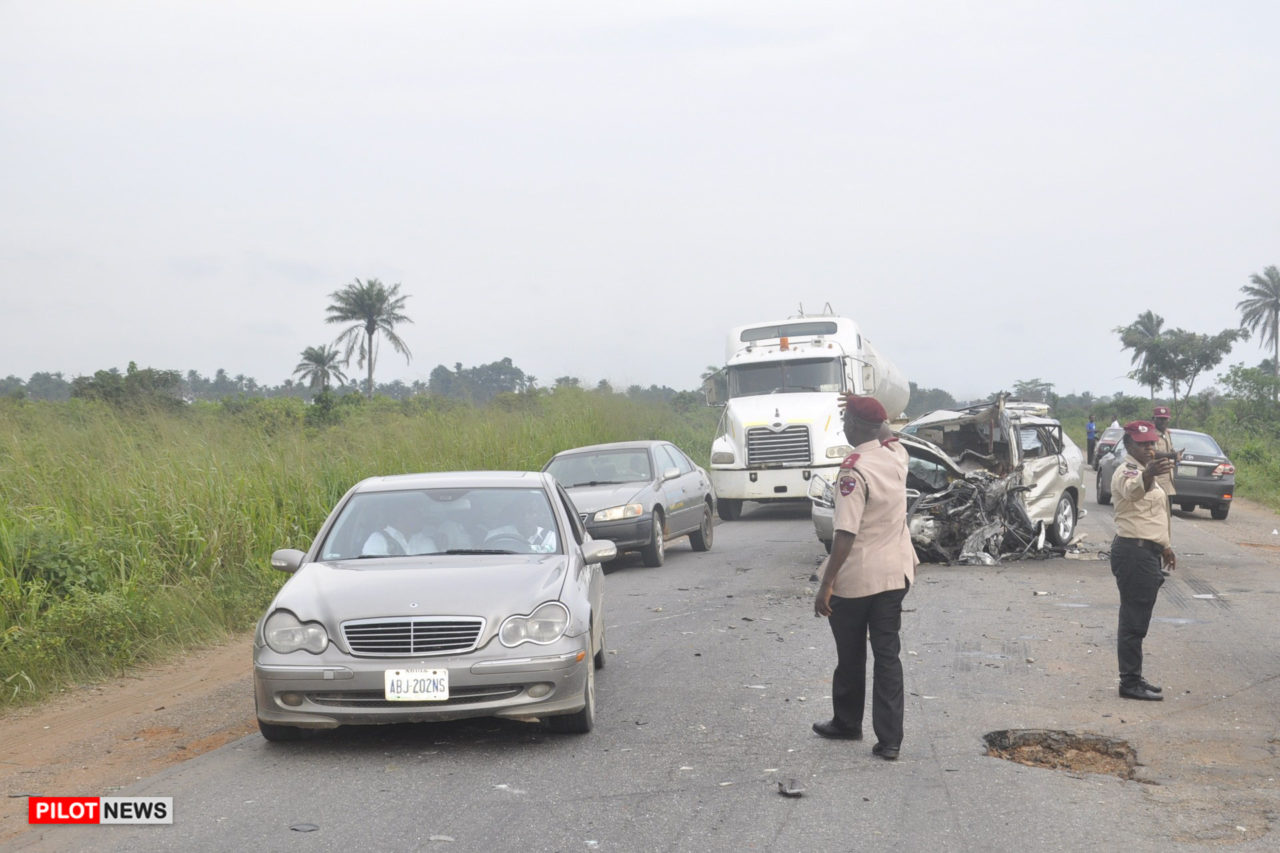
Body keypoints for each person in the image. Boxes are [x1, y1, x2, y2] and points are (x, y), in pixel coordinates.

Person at [812, 394, 918, 760]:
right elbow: (886, 430)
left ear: (857, 427)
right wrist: (864, 404)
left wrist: (826, 584)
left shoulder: (853, 469)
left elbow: (845, 533)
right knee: (887, 655)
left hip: (857, 579)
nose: (843, 425)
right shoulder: (896, 457)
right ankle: (890, 741)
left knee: (851, 653)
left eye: (846, 420)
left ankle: (847, 722)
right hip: (895, 575)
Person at [1109, 420, 1176, 701]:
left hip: (1146, 552)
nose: (1149, 448)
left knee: (1139, 618)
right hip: (1133, 553)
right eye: (1143, 444)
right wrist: (1148, 473)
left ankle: (1135, 677)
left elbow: (1152, 516)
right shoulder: (1127, 471)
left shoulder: (1147, 470)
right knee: (1133, 621)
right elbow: (1134, 491)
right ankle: (1129, 683)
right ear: (1128, 445)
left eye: (1152, 443)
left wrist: (1165, 547)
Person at [362, 497, 437, 556]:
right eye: (416, 513)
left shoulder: (423, 541)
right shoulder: (377, 540)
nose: (420, 517)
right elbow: (371, 572)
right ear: (401, 516)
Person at [1152, 405, 1178, 518]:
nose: (1163, 421)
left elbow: (1170, 450)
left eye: (1165, 419)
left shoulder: (1167, 434)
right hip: (1157, 481)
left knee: (1167, 515)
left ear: (1168, 420)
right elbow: (1154, 453)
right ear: (1154, 419)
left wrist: (1176, 455)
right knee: (1157, 515)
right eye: (1160, 419)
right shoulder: (1151, 435)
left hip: (1168, 481)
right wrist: (1171, 455)